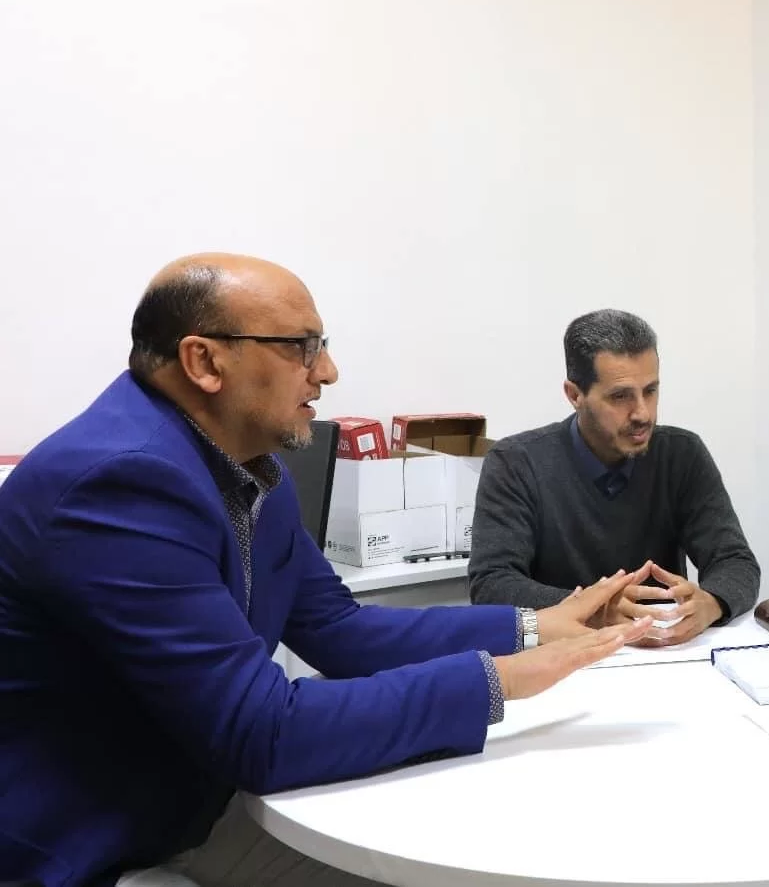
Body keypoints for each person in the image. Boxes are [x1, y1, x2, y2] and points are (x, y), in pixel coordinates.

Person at [0, 254, 652, 887]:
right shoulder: (120, 485)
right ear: (204, 361)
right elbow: (262, 731)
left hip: (193, 805)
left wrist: (534, 626)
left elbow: (341, 630)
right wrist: (499, 679)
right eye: (301, 347)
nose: (328, 371)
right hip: (88, 850)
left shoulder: (251, 466)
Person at [468, 309, 760, 646]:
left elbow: (735, 561)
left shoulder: (682, 454)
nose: (642, 413)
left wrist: (712, 602)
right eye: (620, 396)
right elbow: (492, 585)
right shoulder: (516, 462)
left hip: (662, 654)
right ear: (574, 395)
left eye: (650, 391)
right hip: (560, 658)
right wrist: (595, 610)